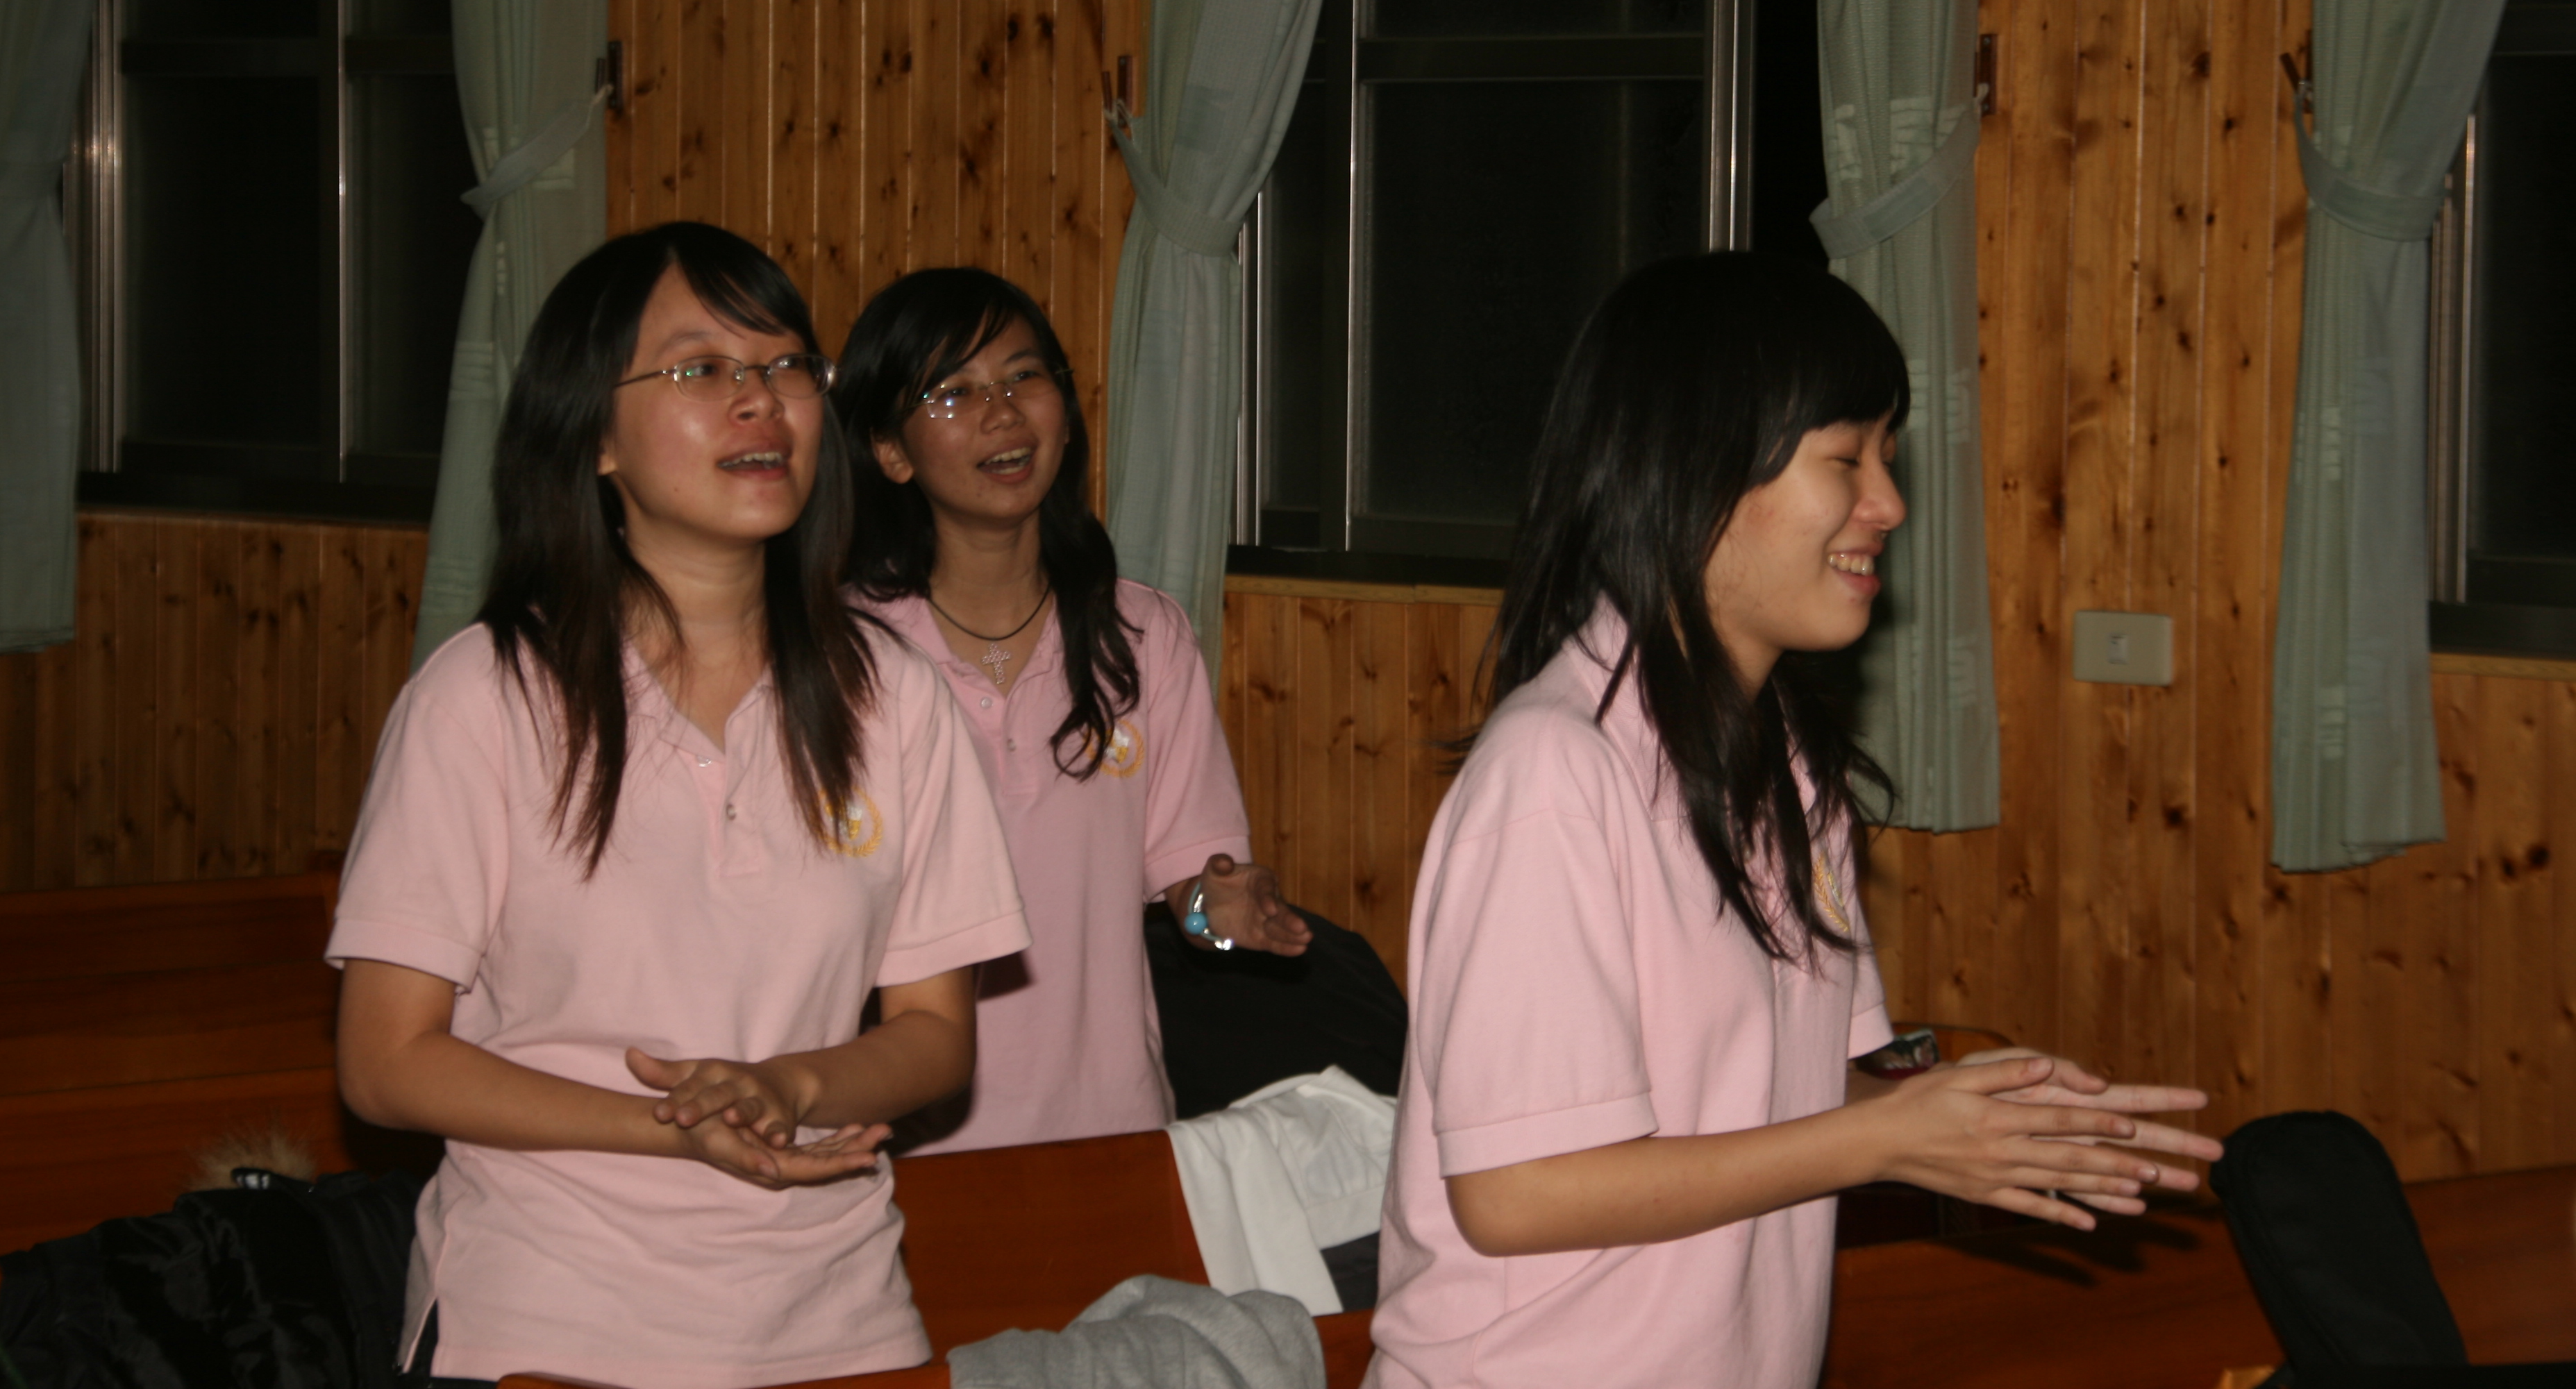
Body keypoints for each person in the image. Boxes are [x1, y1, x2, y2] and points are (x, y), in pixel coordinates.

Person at [1369, 251, 2223, 1389]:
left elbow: (1785, 1098)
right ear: (1697, 474)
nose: (1889, 504)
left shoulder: (1788, 761)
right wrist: (1885, 1139)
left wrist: (1974, 1120)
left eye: (1888, 455)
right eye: (1845, 458)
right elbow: (1518, 1192)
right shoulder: (1553, 772)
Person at [328, 224, 1030, 1389]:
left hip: (838, 1316)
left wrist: (791, 1088)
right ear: (594, 435)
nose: (761, 400)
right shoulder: (483, 696)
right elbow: (385, 1062)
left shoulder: (893, 696)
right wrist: (672, 1124)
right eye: (700, 368)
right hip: (548, 1317)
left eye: (787, 365)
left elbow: (933, 1036)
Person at [834, 266, 1311, 1154]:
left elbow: (1189, 903)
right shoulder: (838, 656)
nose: (1003, 412)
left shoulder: (1142, 636)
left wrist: (1223, 917)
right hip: (894, 1148)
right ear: (890, 451)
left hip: (1110, 1134)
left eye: (1025, 376)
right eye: (954, 392)